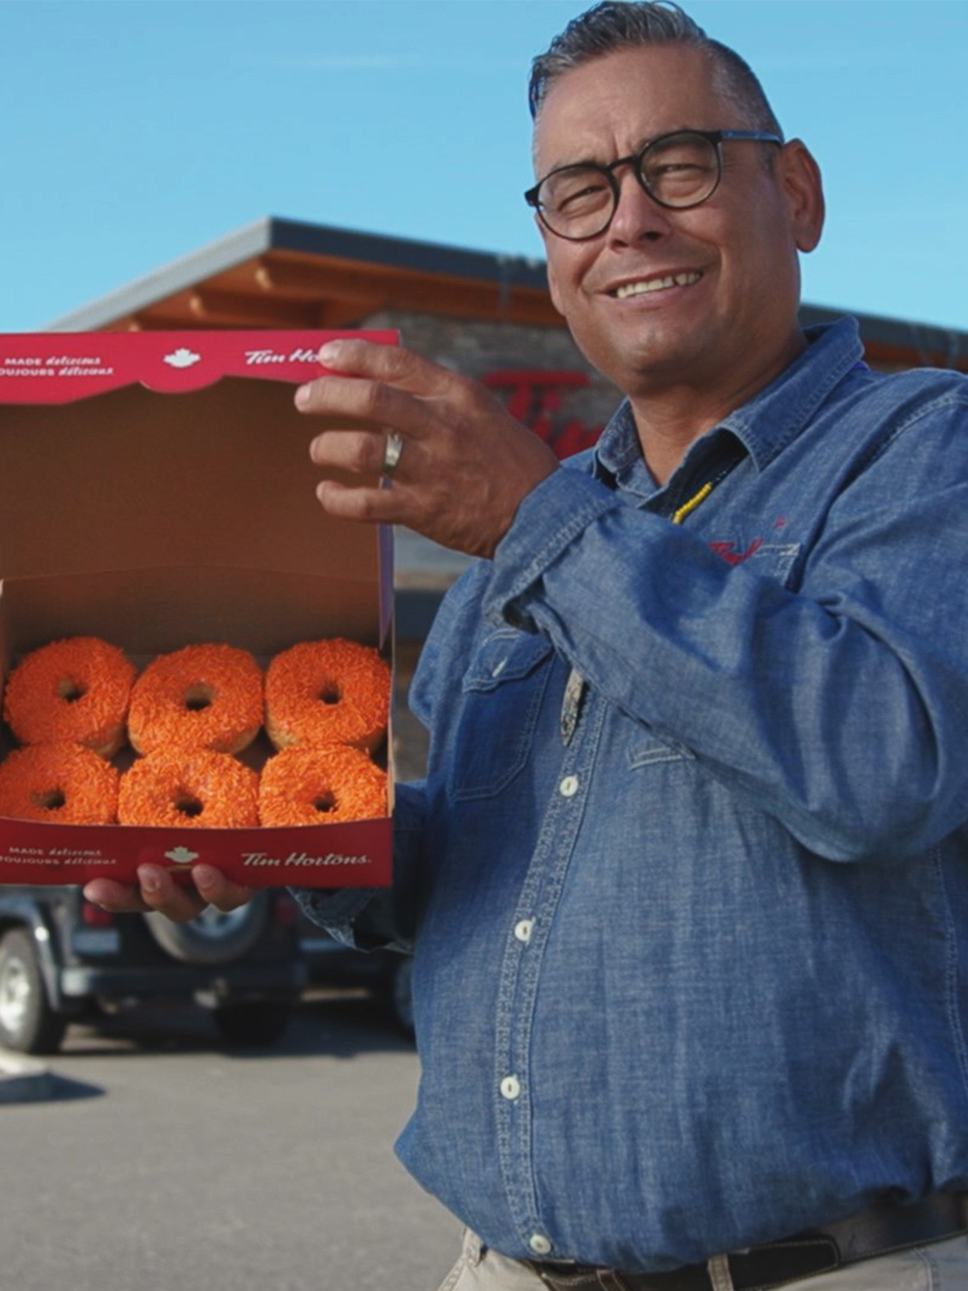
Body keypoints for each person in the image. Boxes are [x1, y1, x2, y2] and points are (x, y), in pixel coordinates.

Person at [86, 3, 968, 1287]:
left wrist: (532, 517)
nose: (628, 220)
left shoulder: (922, 448)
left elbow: (881, 760)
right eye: (577, 190)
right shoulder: (522, 550)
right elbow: (465, 887)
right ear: (550, 248)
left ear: (795, 191)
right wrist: (269, 836)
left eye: (678, 164)